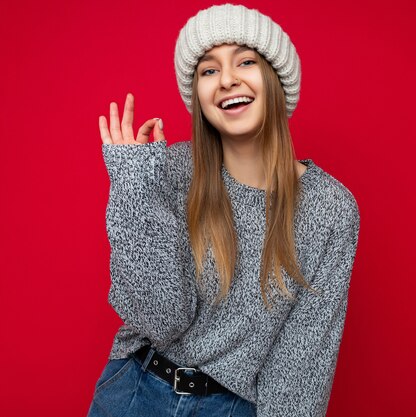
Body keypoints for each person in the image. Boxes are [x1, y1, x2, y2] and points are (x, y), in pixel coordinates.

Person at [87, 3, 360, 417]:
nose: (227, 80)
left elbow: (300, 373)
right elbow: (160, 321)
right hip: (133, 392)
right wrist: (134, 185)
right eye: (208, 70)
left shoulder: (331, 209)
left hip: (230, 408)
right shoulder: (172, 169)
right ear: (197, 94)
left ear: (275, 78)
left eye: (245, 61)